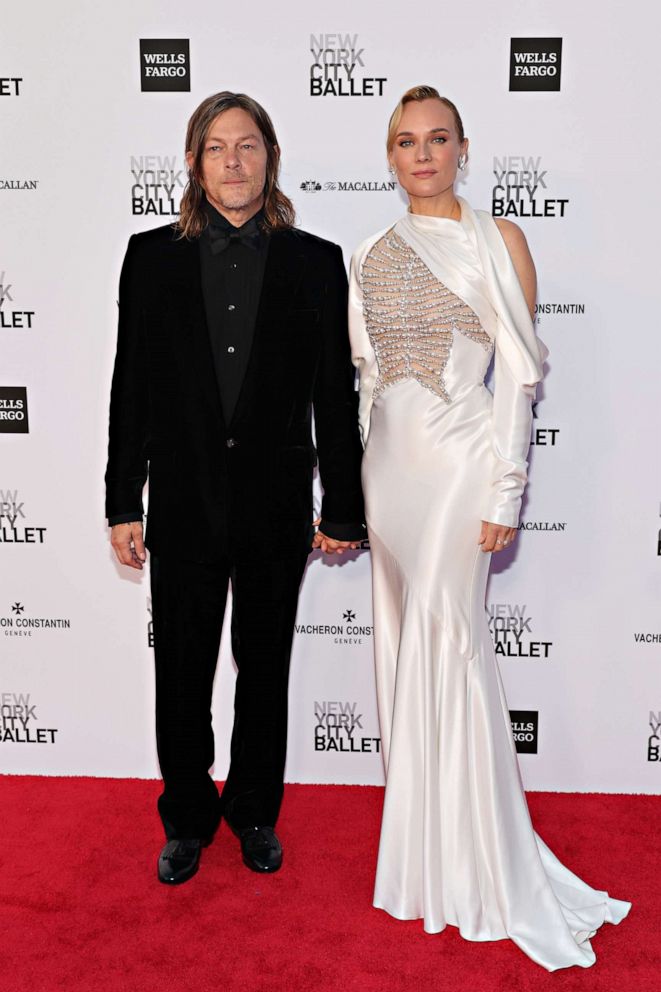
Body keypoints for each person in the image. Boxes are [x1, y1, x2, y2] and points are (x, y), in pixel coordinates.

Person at [348, 85, 629, 970]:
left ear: (463, 150)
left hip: (462, 469)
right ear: (388, 156)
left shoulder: (498, 240)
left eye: (437, 139)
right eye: (405, 142)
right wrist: (349, 494)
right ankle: (422, 861)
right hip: (386, 477)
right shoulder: (368, 250)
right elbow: (364, 382)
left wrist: (504, 493)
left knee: (452, 649)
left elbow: (517, 380)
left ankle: (479, 867)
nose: (422, 155)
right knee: (400, 655)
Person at [105, 91, 364, 885]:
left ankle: (252, 810)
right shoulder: (149, 257)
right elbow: (131, 389)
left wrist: (344, 507)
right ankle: (187, 815)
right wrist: (123, 500)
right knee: (180, 668)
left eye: (247, 146)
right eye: (216, 148)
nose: (233, 161)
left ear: (269, 157)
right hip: (181, 502)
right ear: (194, 162)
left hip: (274, 502)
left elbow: (334, 398)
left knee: (265, 666)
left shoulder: (316, 261)